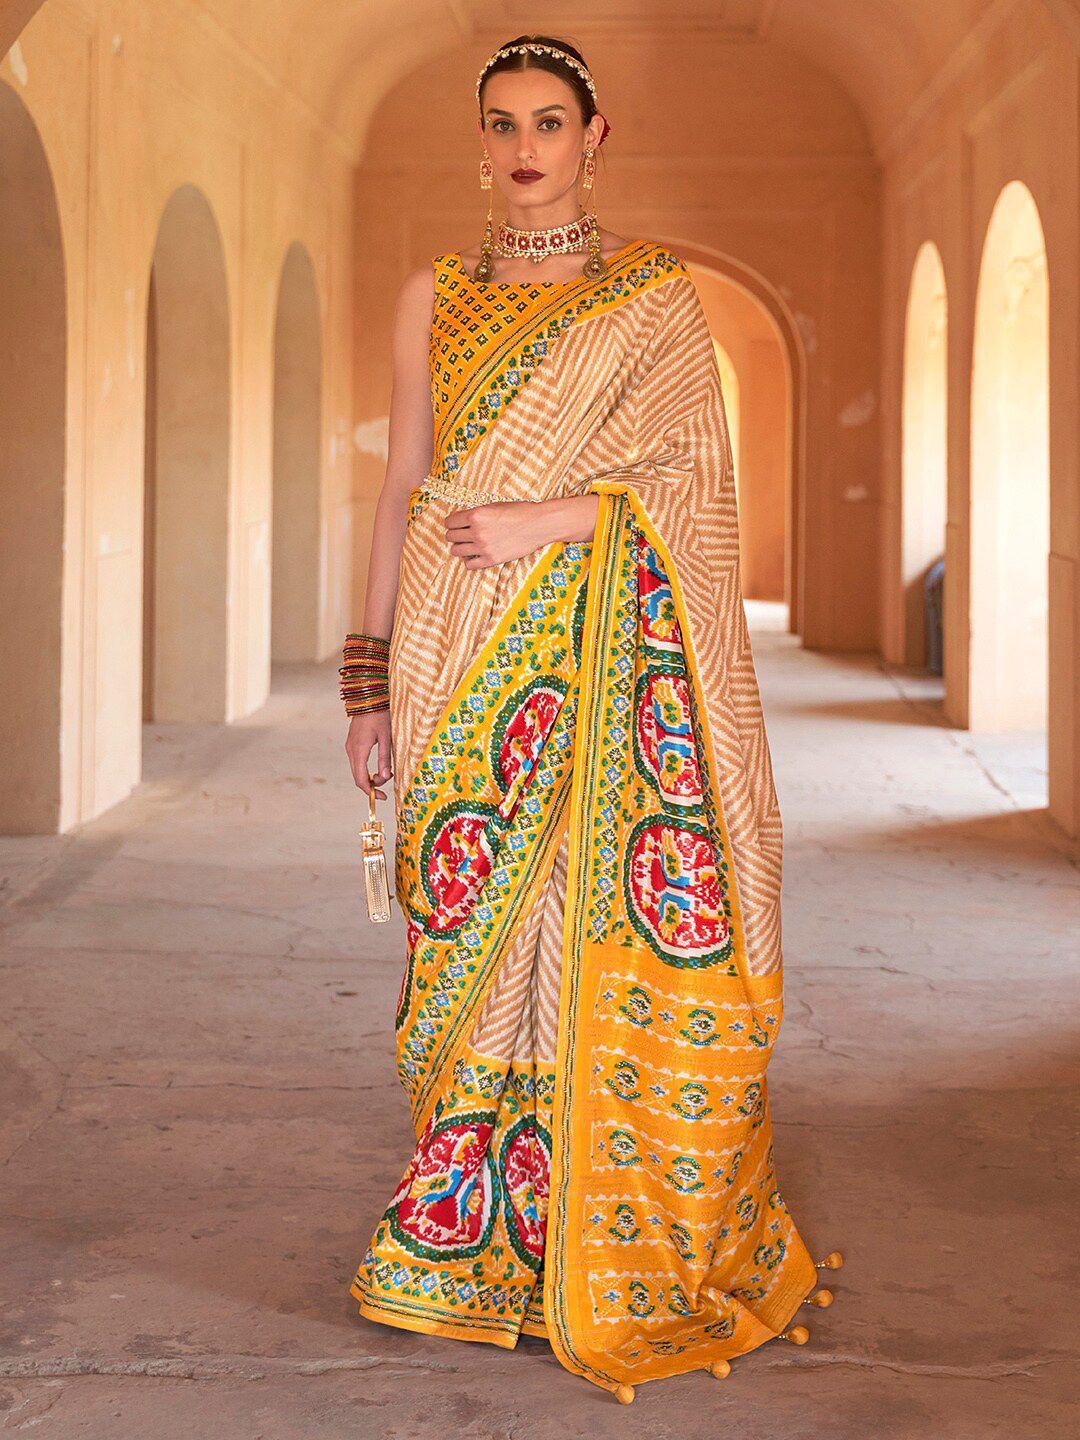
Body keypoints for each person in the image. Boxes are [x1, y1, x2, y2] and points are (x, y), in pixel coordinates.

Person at [339, 32, 841, 1404]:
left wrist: (557, 518)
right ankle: (467, 1237)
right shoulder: (430, 296)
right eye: (501, 122)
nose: (522, 147)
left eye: (548, 122)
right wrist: (368, 676)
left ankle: (601, 1232)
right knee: (469, 929)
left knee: (595, 914)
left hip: (617, 659)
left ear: (593, 134)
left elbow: (695, 488)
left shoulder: (655, 301)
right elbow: (401, 488)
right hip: (457, 648)